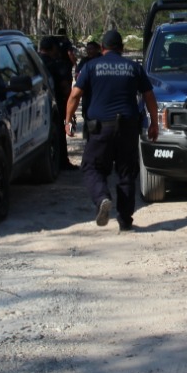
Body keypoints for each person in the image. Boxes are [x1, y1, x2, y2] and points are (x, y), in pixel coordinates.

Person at [63, 29, 158, 231]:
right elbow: (149, 96)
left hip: (100, 128)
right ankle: (125, 221)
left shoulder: (91, 67)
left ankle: (102, 198)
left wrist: (68, 120)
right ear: (122, 49)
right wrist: (154, 123)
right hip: (128, 127)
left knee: (92, 167)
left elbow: (74, 96)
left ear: (102, 49)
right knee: (126, 172)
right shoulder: (134, 67)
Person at [39, 36, 76, 170]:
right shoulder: (57, 64)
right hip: (57, 103)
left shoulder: (33, 61)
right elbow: (65, 87)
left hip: (37, 103)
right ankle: (61, 161)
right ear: (53, 48)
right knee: (59, 133)